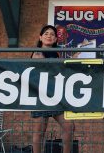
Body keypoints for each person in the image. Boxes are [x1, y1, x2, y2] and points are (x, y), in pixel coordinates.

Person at [31, 25, 75, 153]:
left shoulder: (57, 54)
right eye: (46, 33)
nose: (49, 36)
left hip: (56, 97)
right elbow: (46, 69)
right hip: (41, 96)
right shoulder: (37, 52)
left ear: (56, 39)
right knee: (39, 132)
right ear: (40, 37)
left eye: (52, 34)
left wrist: (72, 61)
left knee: (69, 126)